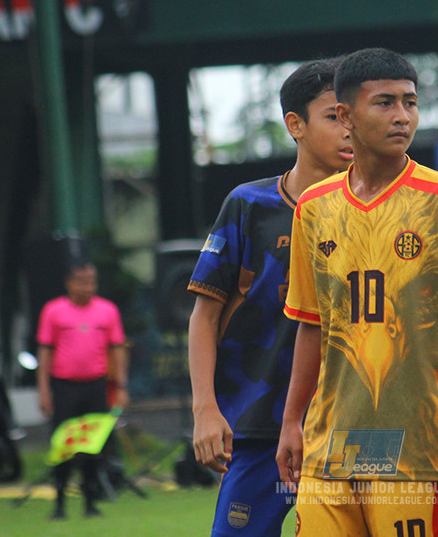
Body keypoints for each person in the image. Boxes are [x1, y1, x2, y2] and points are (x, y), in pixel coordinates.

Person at [276, 47, 438, 535]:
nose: (403, 116)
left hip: (418, 443)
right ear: (346, 115)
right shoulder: (314, 208)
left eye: (410, 102)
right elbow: (310, 324)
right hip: (332, 442)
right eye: (385, 103)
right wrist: (291, 421)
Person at [187, 58, 353, 537]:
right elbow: (204, 315)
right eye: (333, 116)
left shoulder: (376, 211)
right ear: (295, 125)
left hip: (352, 426)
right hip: (259, 424)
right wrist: (205, 408)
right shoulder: (248, 206)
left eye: (352, 116)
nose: (348, 129)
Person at [36, 262, 128, 519]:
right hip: (65, 387)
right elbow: (45, 351)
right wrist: (43, 389)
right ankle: (60, 503)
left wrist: (120, 386)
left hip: (96, 386)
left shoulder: (107, 311)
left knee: (92, 446)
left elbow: (117, 349)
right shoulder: (53, 311)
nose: (88, 287)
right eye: (82, 282)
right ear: (69, 283)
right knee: (63, 445)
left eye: (92, 282)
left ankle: (90, 502)